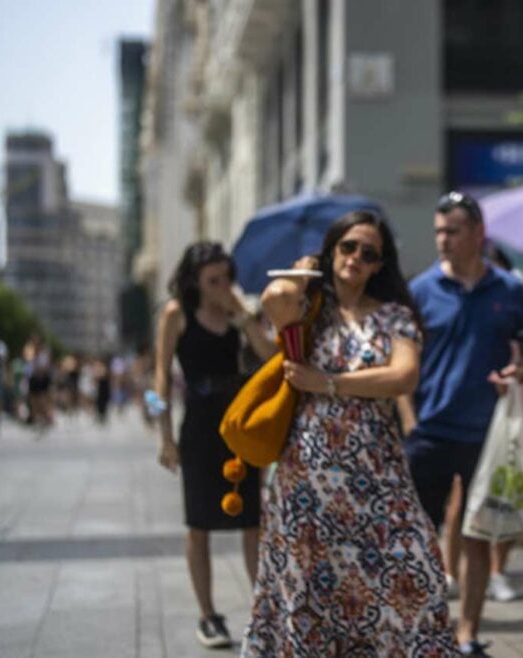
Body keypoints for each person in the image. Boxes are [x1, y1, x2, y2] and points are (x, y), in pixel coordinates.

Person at [242, 210, 458, 656]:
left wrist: (329, 383)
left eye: (369, 252)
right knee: (310, 596)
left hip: (378, 475)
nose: (357, 257)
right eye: (348, 247)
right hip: (307, 479)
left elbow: (403, 376)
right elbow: (271, 301)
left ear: (380, 264)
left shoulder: (395, 315)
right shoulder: (308, 309)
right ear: (332, 251)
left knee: (417, 571)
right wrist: (302, 275)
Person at [406, 191, 523, 656]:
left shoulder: (509, 289)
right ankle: (425, 632)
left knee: (478, 535)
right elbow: (403, 363)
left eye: (452, 231)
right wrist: (408, 423)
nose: (443, 239)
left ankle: (467, 635)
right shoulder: (420, 291)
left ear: (478, 234)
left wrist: (518, 370)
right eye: (439, 231)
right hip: (428, 433)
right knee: (420, 540)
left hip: (487, 433)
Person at [153, 241, 275, 648]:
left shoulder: (237, 311)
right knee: (200, 523)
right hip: (200, 424)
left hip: (238, 422)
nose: (223, 285)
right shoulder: (177, 314)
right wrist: (165, 437)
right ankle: (208, 615)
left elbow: (269, 355)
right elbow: (159, 380)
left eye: (227, 277)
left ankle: (263, 610)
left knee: (252, 520)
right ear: (194, 280)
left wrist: (242, 317)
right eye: (213, 280)